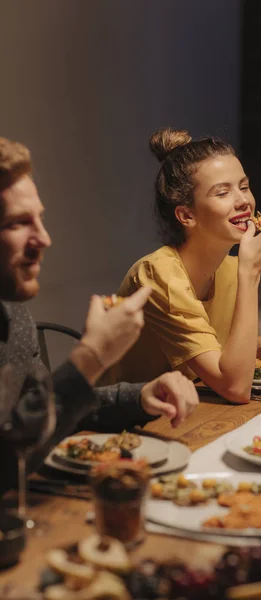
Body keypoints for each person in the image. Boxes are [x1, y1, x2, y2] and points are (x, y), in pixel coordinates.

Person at [0, 136, 198, 494]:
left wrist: (139, 397)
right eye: (18, 223)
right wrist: (91, 358)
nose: (44, 238)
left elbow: (41, 417)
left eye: (39, 220)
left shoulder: (14, 320)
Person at [105, 128, 261, 404]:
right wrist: (251, 273)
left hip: (185, 409)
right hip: (125, 424)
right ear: (187, 215)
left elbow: (217, 360)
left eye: (244, 187)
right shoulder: (157, 276)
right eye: (223, 192)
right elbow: (235, 388)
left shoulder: (228, 268)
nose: (244, 202)